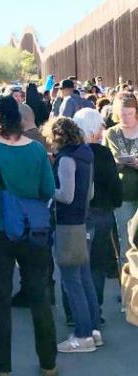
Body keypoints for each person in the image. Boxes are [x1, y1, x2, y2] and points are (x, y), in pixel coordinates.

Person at [0, 95, 57, 376]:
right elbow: (48, 189)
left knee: (0, 302)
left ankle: (0, 369)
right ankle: (49, 364)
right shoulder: (37, 149)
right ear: (20, 119)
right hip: (33, 232)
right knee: (39, 297)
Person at [43, 116, 102, 353]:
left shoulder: (67, 158)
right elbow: (89, 193)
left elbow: (65, 195)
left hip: (68, 225)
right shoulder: (86, 154)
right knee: (84, 277)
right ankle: (93, 330)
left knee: (71, 281)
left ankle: (82, 335)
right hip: (84, 221)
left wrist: (46, 188)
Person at [72, 108, 122, 321]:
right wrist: (116, 203)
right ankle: (95, 311)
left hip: (75, 216)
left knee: (74, 266)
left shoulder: (69, 152)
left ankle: (73, 312)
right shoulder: (103, 153)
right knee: (97, 266)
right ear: (93, 128)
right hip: (102, 213)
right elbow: (114, 185)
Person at [102, 92, 138, 270]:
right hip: (123, 193)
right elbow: (103, 163)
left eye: (130, 113)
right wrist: (116, 164)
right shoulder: (111, 133)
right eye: (122, 114)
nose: (126, 118)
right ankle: (128, 285)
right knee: (125, 238)